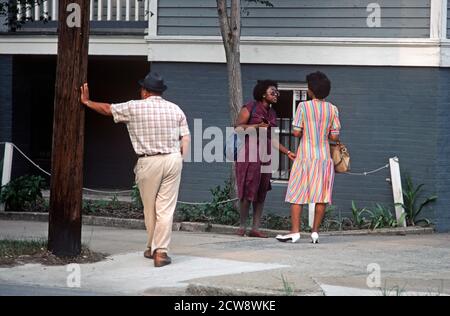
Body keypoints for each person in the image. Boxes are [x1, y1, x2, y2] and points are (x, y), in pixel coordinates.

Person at [80, 72, 190, 267]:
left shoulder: (134, 107)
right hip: (173, 159)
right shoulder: (176, 109)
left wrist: (87, 102)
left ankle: (155, 249)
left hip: (148, 162)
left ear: (145, 91)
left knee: (150, 209)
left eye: (142, 88)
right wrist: (180, 158)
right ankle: (159, 251)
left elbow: (107, 109)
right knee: (165, 209)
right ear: (160, 92)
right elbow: (185, 138)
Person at [277, 71, 341, 244]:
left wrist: (306, 129)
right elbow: (334, 136)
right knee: (321, 195)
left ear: (311, 89)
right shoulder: (332, 109)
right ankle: (314, 233)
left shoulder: (303, 107)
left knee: (297, 193)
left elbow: (296, 132)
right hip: (323, 157)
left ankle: (295, 232)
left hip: (305, 155)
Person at [235, 80, 296, 238]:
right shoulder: (250, 107)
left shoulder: (272, 113)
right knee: (247, 189)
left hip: (266, 154)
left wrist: (287, 152)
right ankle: (242, 226)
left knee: (261, 190)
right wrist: (256, 127)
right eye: (272, 92)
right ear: (263, 94)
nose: (276, 95)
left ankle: (255, 228)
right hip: (249, 153)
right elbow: (237, 128)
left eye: (277, 92)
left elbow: (273, 139)